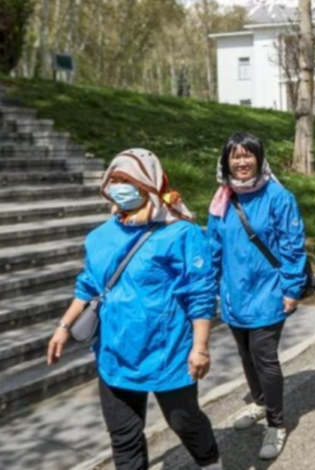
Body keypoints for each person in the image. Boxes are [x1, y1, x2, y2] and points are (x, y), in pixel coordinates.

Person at [47, 149, 221, 470]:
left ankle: (210, 461)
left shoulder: (180, 233)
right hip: (114, 353)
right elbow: (88, 285)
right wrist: (63, 327)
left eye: (127, 180)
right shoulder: (100, 237)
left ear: (148, 183)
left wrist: (200, 347)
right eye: (114, 179)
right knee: (123, 436)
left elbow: (200, 293)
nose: (119, 187)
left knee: (183, 421)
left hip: (168, 351)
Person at [207, 132, 308, 460]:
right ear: (226, 162)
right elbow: (213, 248)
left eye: (248, 155)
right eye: (235, 156)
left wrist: (291, 288)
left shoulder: (278, 196)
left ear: (259, 159)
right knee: (246, 354)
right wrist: (211, 288)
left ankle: (276, 424)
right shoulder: (222, 199)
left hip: (269, 292)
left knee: (264, 357)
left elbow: (293, 245)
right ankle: (260, 402)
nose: (242, 162)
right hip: (234, 294)